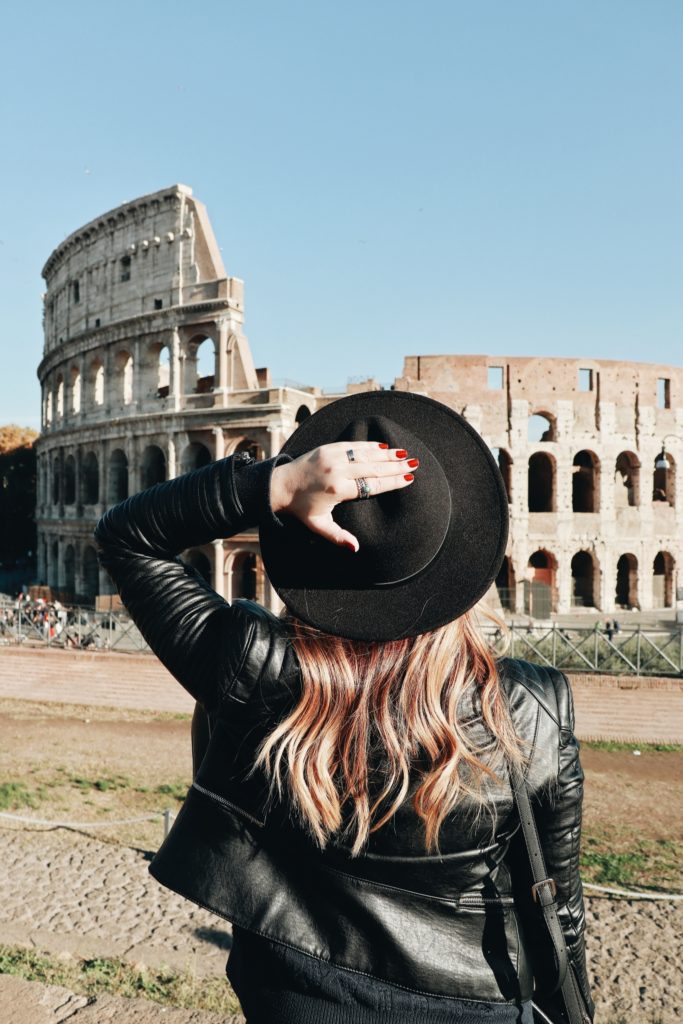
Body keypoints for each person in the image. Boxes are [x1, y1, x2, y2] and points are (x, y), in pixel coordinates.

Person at [95, 391, 593, 1024]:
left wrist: (276, 483)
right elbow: (559, 906)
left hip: (293, 998)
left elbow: (127, 536)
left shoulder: (253, 670)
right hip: (472, 1003)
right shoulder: (531, 709)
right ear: (461, 555)